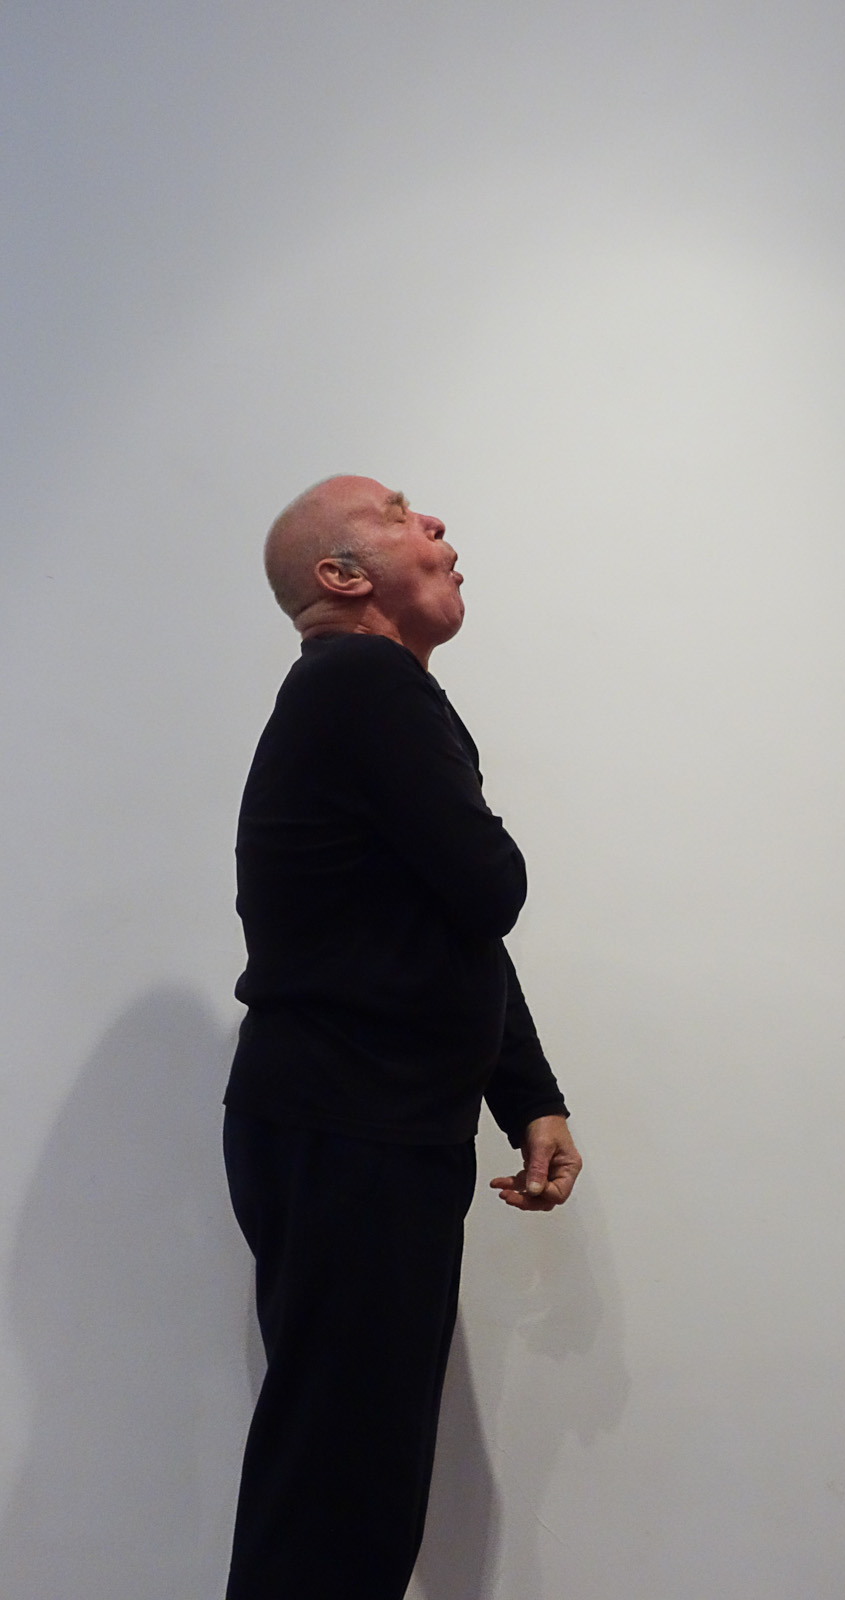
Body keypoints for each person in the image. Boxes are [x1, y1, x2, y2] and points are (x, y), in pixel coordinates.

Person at [222, 474, 582, 1599]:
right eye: (397, 515)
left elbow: (455, 921)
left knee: (349, 1482)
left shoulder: (359, 695)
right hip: (352, 1128)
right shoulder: (367, 683)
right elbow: (491, 886)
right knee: (341, 1493)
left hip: (354, 1125)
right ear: (341, 577)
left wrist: (530, 1094)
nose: (436, 526)